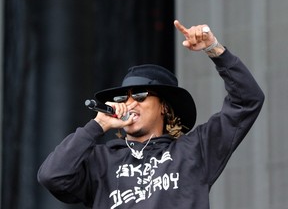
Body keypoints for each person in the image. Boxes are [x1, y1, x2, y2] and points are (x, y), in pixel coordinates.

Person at [37, 20, 264, 209]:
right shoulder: (101, 161)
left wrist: (214, 49)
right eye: (122, 98)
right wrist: (97, 125)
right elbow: (53, 176)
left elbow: (247, 100)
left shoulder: (195, 150)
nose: (129, 103)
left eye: (140, 95)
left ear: (164, 106)